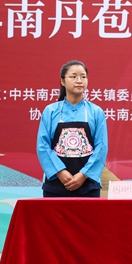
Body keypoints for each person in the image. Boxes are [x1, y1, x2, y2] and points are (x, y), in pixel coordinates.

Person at [37, 60, 108, 198]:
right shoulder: (51, 111)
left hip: (88, 185)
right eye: (73, 76)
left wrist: (84, 175)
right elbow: (43, 146)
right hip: (56, 184)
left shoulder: (96, 112)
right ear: (62, 81)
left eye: (83, 76)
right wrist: (60, 171)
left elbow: (101, 147)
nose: (79, 80)